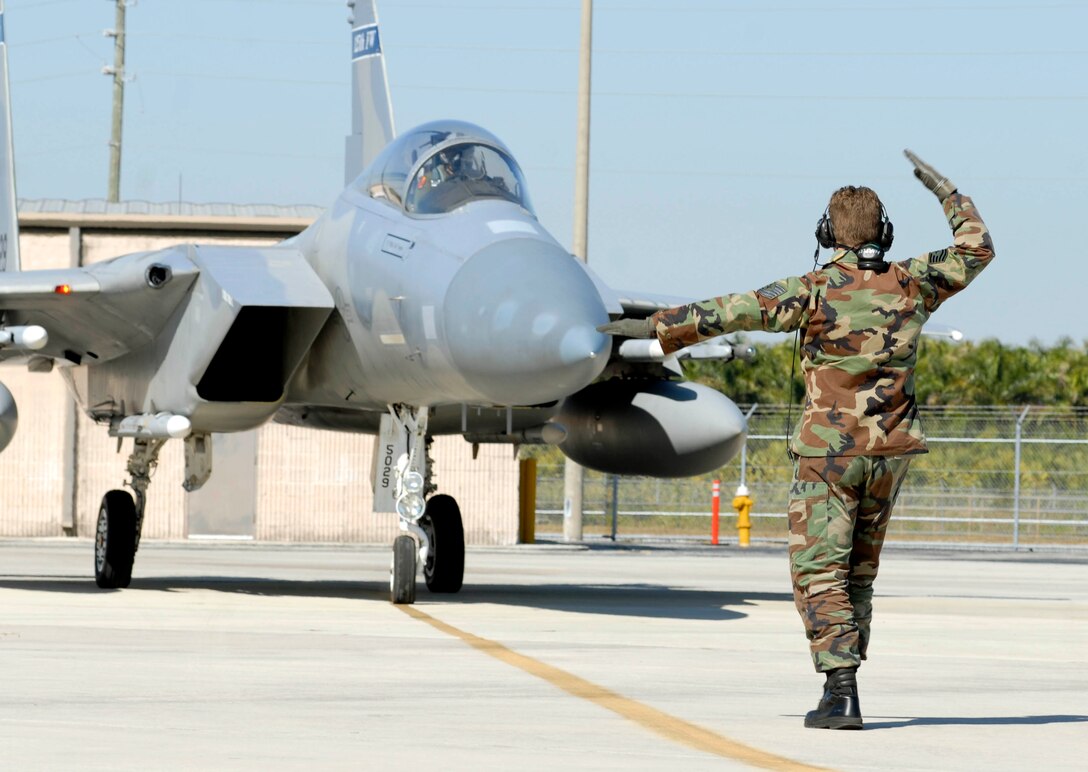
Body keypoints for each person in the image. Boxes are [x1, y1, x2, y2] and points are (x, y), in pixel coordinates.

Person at [597, 150, 995, 730]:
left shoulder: (811, 290)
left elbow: (732, 310)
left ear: (826, 233)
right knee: (859, 572)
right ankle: (848, 677)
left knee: (818, 570)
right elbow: (977, 248)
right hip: (890, 452)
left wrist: (658, 328)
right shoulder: (916, 282)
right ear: (884, 233)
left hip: (830, 456)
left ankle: (840, 689)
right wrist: (945, 190)